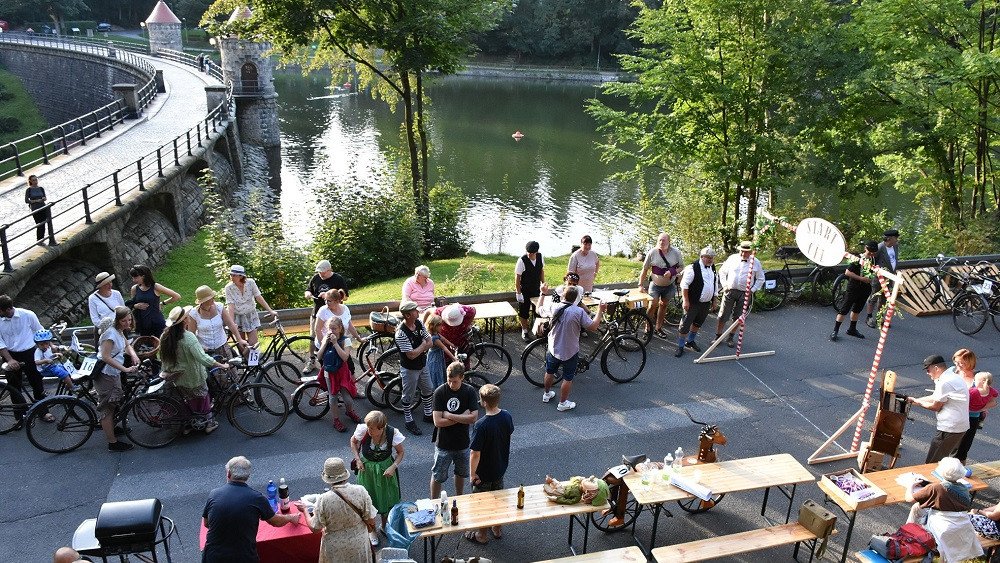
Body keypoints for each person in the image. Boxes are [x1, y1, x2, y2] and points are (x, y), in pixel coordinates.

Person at [202, 456, 300, 563]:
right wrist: (291, 517)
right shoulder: (257, 498)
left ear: (228, 473)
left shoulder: (214, 494)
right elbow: (276, 521)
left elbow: (206, 523)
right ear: (247, 477)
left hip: (213, 557)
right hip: (244, 557)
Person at [159, 306, 230, 434]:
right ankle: (209, 423)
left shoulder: (165, 337)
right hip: (192, 376)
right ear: (185, 321)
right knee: (203, 397)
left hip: (177, 377)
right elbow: (202, 358)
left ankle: (187, 425)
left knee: (186, 401)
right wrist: (221, 365)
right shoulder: (189, 338)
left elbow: (162, 357)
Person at [536, 285, 605, 411]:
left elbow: (538, 309)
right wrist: (600, 310)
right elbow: (593, 326)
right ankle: (562, 403)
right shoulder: (578, 312)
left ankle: (546, 394)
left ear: (563, 295)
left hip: (553, 347)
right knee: (568, 377)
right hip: (570, 350)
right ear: (575, 299)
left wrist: (543, 293)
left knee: (550, 371)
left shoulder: (554, 307)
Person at [904, 457, 982, 563]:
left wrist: (911, 485)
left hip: (940, 527)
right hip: (960, 526)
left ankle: (907, 536)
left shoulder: (935, 488)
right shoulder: (964, 488)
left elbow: (909, 498)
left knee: (916, 507)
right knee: (917, 507)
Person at [466, 383, 514, 545]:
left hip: (484, 473)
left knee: (482, 504)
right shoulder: (507, 416)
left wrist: (473, 474)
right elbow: (509, 434)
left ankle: (482, 535)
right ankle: (497, 528)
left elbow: (475, 453)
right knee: (498, 499)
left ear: (484, 402)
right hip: (500, 467)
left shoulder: (481, 425)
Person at [305, 457, 377, 563]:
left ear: (327, 479)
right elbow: (371, 520)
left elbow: (315, 528)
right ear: (345, 475)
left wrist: (304, 511)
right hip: (359, 543)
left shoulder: (323, 499)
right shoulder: (360, 490)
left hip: (335, 548)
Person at [350, 410, 405, 547]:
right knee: (369, 500)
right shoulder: (363, 430)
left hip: (385, 469)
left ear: (381, 428)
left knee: (385, 498)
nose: (369, 430)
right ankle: (372, 530)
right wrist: (358, 459)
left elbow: (400, 452)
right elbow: (353, 442)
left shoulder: (392, 433)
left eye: (372, 428)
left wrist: (393, 466)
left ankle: (384, 526)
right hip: (367, 470)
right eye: (368, 427)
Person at [907, 355, 970, 463]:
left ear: (936, 368)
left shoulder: (944, 382)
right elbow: (936, 397)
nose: (927, 373)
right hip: (958, 425)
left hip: (950, 427)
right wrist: (915, 400)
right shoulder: (951, 376)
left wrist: (918, 402)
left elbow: (935, 406)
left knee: (932, 461)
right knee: (942, 459)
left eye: (928, 370)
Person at [431, 362, 479, 499]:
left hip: (462, 443)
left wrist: (449, 415)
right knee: (437, 476)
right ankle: (434, 503)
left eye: (455, 381)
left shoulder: (469, 391)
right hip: (443, 444)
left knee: (461, 473)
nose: (451, 384)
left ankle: (459, 498)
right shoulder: (440, 392)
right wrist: (463, 416)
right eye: (449, 380)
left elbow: (473, 418)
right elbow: (437, 422)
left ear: (462, 377)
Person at [0, 295, 48, 427]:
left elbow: (39, 331)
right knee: (14, 387)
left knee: (37, 382)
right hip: (10, 354)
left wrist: (46, 349)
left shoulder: (27, 315)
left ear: (9, 309)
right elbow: (0, 342)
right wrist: (10, 360)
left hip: (29, 353)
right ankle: (19, 416)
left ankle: (43, 412)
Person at [98, 306, 140, 451]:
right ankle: (112, 442)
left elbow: (126, 344)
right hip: (106, 374)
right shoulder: (110, 335)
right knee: (108, 409)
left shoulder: (118, 331)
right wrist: (125, 369)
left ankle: (113, 429)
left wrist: (133, 354)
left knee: (115, 402)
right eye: (124, 321)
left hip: (113, 373)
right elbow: (105, 356)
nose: (127, 323)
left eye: (129, 319)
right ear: (117, 320)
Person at [316, 316, 362, 432]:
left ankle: (349, 411)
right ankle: (336, 420)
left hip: (342, 371)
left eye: (334, 328)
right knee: (333, 397)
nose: (332, 331)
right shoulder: (326, 339)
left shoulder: (345, 340)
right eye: (330, 329)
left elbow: (345, 357)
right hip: (329, 372)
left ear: (340, 328)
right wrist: (325, 343)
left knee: (348, 399)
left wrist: (336, 344)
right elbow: (319, 356)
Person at [303, 260, 350, 374]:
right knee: (314, 337)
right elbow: (308, 289)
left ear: (329, 270)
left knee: (337, 337)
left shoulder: (338, 279)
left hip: (334, 316)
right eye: (319, 272)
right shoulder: (315, 278)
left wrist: (327, 295)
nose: (320, 274)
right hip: (318, 313)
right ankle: (313, 360)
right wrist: (308, 294)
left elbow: (345, 297)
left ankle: (339, 357)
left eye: (323, 272)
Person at [395, 300, 434, 435]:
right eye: (415, 310)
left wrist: (421, 348)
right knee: (408, 396)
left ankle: (428, 413)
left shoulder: (418, 323)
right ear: (407, 315)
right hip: (410, 368)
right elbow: (411, 355)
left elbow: (430, 341)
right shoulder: (401, 333)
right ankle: (408, 420)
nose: (418, 312)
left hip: (422, 364)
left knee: (428, 387)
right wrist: (423, 346)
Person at [715, 241, 765, 348]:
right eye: (742, 251)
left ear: (751, 252)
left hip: (745, 294)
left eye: (746, 252)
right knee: (723, 314)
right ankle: (718, 336)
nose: (743, 254)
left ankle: (730, 337)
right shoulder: (732, 258)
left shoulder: (755, 262)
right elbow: (722, 272)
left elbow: (761, 278)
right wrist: (724, 285)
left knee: (738, 317)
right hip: (730, 291)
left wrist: (753, 289)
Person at [192, 286, 246, 375]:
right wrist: (199, 347)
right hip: (207, 351)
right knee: (215, 377)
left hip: (222, 346)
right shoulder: (194, 313)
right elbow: (192, 335)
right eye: (210, 298)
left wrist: (239, 339)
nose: (213, 298)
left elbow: (231, 324)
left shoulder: (219, 307)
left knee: (231, 373)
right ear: (203, 301)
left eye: (213, 296)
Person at [638, 233, 683, 339]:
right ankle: (647, 329)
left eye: (664, 240)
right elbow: (645, 269)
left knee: (663, 305)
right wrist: (640, 284)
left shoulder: (676, 253)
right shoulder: (652, 252)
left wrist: (672, 271)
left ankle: (658, 328)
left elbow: (681, 267)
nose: (661, 242)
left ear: (669, 242)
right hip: (655, 284)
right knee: (652, 305)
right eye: (659, 240)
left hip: (669, 285)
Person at [951, 349, 993, 463]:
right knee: (948, 447)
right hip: (953, 414)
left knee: (962, 450)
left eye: (961, 363)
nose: (957, 365)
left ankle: (958, 474)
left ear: (970, 363)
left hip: (971, 417)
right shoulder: (952, 372)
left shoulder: (979, 377)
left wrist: (980, 408)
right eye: (956, 362)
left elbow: (992, 400)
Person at [830, 241, 877, 341]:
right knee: (844, 309)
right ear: (866, 249)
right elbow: (847, 272)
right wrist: (861, 278)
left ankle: (852, 329)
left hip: (865, 288)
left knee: (857, 310)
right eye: (870, 252)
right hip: (854, 287)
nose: (872, 254)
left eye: (874, 252)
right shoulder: (857, 258)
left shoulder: (873, 259)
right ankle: (835, 330)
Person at [675, 246, 718, 357]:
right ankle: (680, 346)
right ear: (702, 257)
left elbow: (715, 284)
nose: (711, 260)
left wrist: (714, 300)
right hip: (693, 302)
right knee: (685, 324)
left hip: (705, 302)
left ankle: (690, 341)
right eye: (708, 257)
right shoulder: (692, 268)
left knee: (698, 322)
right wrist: (685, 301)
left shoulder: (712, 268)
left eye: (712, 258)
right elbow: (684, 285)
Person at [224, 265, 277, 348]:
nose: (232, 277)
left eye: (234, 275)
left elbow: (258, 297)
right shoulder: (229, 288)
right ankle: (245, 360)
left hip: (250, 315)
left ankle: (253, 361)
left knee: (253, 344)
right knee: (242, 345)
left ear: (241, 276)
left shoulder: (250, 283)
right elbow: (230, 306)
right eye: (231, 275)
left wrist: (270, 311)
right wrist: (232, 323)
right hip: (238, 317)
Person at [126, 265, 180, 337]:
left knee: (161, 342)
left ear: (143, 276)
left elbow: (176, 296)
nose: (133, 280)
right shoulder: (134, 289)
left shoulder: (155, 287)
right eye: (132, 277)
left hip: (156, 321)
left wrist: (162, 303)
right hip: (142, 323)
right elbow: (131, 304)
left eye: (135, 277)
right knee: (145, 344)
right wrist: (136, 306)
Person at [867, 228, 900, 328]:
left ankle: (879, 317)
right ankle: (869, 317)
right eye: (895, 238)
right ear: (889, 239)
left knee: (884, 299)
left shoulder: (895, 246)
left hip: (890, 277)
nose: (897, 239)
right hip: (879, 278)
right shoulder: (880, 247)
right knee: (874, 296)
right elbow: (872, 260)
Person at [314, 289, 363, 355]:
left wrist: (359, 339)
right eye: (325, 300)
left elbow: (350, 327)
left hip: (341, 345)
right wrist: (323, 347)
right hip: (326, 346)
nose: (326, 302)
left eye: (329, 301)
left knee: (348, 365)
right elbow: (317, 329)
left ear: (337, 301)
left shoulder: (345, 308)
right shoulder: (323, 310)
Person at [515, 241, 545, 341]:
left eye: (531, 253)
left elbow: (541, 271)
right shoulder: (522, 260)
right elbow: (517, 277)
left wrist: (543, 283)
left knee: (538, 311)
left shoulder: (540, 257)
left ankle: (538, 331)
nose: (529, 254)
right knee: (524, 311)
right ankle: (525, 331)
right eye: (528, 252)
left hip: (536, 289)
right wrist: (518, 293)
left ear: (536, 252)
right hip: (525, 290)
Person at [88, 271, 125, 338]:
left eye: (110, 282)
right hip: (104, 331)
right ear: (100, 286)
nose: (110, 285)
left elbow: (124, 310)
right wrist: (107, 327)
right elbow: (95, 318)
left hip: (119, 328)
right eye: (106, 284)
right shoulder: (92, 298)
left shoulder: (117, 293)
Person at [425, 313, 457, 389]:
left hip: (438, 356)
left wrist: (452, 344)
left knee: (440, 371)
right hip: (435, 359)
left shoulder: (437, 334)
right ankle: (437, 389)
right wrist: (453, 358)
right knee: (436, 373)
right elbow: (444, 348)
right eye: (440, 325)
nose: (441, 327)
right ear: (434, 326)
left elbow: (444, 340)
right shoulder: (434, 338)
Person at [24, 174, 53, 245]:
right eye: (33, 180)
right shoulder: (29, 189)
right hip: (35, 208)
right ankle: (39, 240)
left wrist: (43, 199)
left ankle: (42, 239)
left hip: (43, 207)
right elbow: (26, 200)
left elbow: (45, 197)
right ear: (30, 181)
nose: (35, 181)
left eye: (36, 180)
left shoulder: (41, 188)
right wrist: (35, 201)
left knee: (43, 223)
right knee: (39, 224)